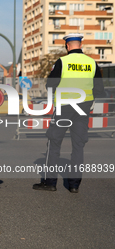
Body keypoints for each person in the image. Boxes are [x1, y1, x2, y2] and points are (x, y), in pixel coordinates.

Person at [33, 34, 105, 193]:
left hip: (63, 108)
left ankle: (50, 183)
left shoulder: (62, 62)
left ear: (67, 46)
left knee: (54, 143)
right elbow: (99, 89)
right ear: (80, 45)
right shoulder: (91, 63)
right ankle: (74, 185)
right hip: (83, 109)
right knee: (78, 146)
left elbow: (50, 84)